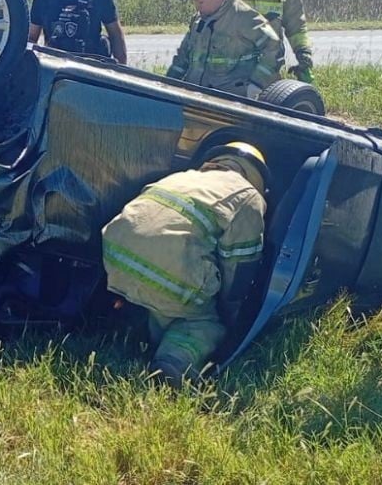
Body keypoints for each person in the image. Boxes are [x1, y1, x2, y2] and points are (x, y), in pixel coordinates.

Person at [101, 142, 268, 384]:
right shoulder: (248, 196)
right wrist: (230, 306)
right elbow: (239, 265)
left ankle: (132, 334)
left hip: (114, 252)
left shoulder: (182, 176)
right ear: (256, 176)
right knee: (204, 322)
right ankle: (173, 362)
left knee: (159, 302)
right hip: (168, 272)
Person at [166, 0, 282, 97]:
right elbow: (183, 57)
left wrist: (256, 85)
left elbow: (275, 49)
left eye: (200, 2)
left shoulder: (244, 17)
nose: (197, 7)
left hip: (230, 100)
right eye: (194, 2)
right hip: (195, 96)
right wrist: (169, 83)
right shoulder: (198, 20)